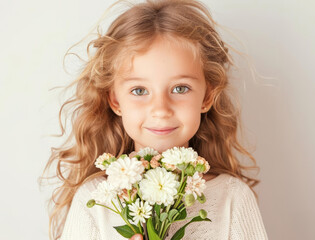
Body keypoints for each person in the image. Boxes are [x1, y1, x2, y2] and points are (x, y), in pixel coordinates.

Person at [41, 0, 269, 239]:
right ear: (115, 100)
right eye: (139, 91)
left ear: (207, 96)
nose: (161, 110)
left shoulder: (232, 199)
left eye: (180, 89)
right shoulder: (95, 200)